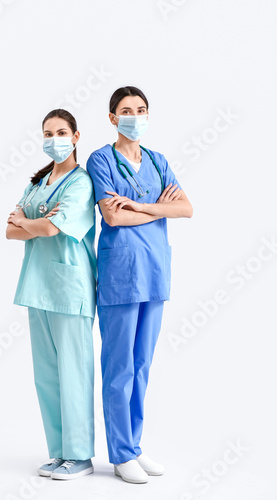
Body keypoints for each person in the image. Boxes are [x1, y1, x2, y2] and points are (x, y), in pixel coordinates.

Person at [86, 86, 193, 484]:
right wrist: (155, 208)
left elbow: (185, 207)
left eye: (141, 109)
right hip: (120, 275)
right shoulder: (101, 159)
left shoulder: (158, 160)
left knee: (143, 365)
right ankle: (120, 453)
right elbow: (112, 219)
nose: (135, 115)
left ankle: (135, 444)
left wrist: (139, 206)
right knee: (120, 366)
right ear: (113, 118)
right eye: (127, 110)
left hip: (155, 271)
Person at [6, 109, 96, 481]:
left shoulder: (81, 183)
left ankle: (81, 456)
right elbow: (12, 231)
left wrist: (33, 223)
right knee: (46, 375)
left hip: (69, 287)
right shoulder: (38, 182)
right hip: (37, 286)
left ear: (76, 137)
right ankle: (59, 452)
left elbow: (47, 227)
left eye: (61, 132)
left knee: (73, 372)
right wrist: (36, 224)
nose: (53, 138)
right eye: (48, 133)